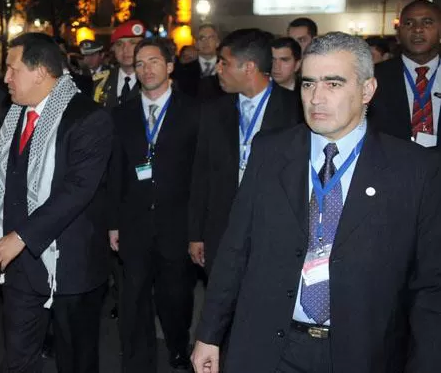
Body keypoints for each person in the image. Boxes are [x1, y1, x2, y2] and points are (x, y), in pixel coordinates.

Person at [191, 32, 441, 373]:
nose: (316, 98)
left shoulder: (414, 169)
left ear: (367, 90)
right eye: (308, 84)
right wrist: (209, 334)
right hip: (269, 348)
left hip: (360, 352)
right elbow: (235, 250)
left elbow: (430, 285)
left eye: (333, 84)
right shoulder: (270, 152)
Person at [0, 33, 113, 373]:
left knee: (76, 362)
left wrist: (21, 236)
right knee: (18, 360)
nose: (5, 78)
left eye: (12, 69)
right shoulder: (12, 115)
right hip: (20, 267)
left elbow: (77, 190)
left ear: (39, 71)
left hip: (70, 266)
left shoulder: (88, 117)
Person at [108, 38, 199, 372]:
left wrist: (197, 229)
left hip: (177, 223)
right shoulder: (122, 114)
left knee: (175, 296)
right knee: (132, 297)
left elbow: (201, 175)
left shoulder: (194, 111)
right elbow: (115, 170)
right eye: (140, 63)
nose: (146, 69)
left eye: (154, 62)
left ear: (170, 66)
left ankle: (177, 346)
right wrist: (113, 222)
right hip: (133, 222)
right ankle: (136, 360)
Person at [188, 29, 303, 276]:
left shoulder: (296, 109)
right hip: (222, 229)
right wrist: (196, 234)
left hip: (274, 230)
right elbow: (201, 174)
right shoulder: (213, 110)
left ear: (249, 67)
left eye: (225, 63)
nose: (218, 69)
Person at [368, 0, 441, 148]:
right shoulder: (373, 77)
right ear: (398, 32)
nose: (417, 29)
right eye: (408, 23)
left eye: (427, 22)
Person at [101, 20, 146, 107]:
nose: (125, 50)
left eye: (133, 43)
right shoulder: (100, 81)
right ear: (113, 49)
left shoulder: (153, 80)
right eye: (119, 44)